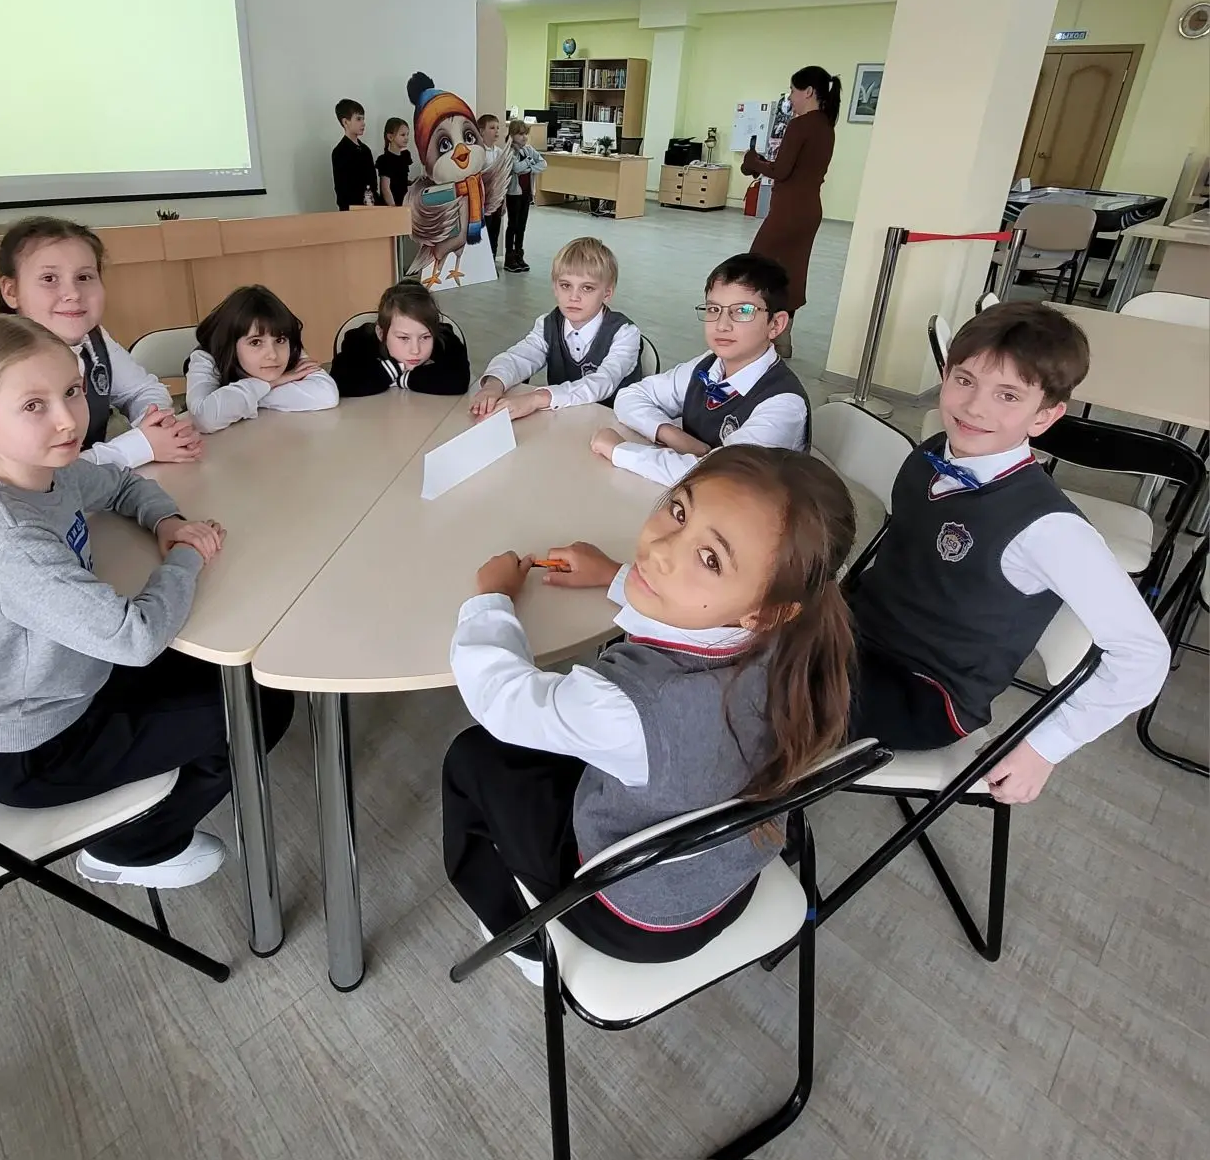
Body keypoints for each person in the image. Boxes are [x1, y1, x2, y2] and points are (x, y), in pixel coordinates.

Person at [442, 446, 855, 978]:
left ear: (768, 608)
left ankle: (521, 942)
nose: (660, 549)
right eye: (679, 511)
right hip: (723, 877)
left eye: (710, 558)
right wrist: (615, 576)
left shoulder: (633, 708)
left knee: (472, 757)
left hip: (631, 914)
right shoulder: (792, 643)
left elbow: (502, 699)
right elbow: (701, 615)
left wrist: (490, 600)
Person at [0, 314, 294, 888]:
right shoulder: (10, 538)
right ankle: (128, 847)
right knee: (258, 709)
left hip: (77, 678)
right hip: (36, 748)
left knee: (238, 675)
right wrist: (188, 555)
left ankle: (147, 801)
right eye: (33, 405)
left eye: (72, 392)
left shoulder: (47, 470)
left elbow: (123, 483)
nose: (67, 419)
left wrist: (167, 522)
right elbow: (136, 638)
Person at [848, 302, 1169, 804]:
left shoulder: (1051, 530)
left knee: (747, 703)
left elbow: (1144, 655)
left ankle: (753, 827)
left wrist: (1043, 748)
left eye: (1008, 395)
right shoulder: (933, 452)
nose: (975, 407)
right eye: (965, 380)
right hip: (854, 633)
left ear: (1045, 416)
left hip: (924, 692)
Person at [0, 217, 201, 583]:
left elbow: (143, 390)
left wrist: (156, 423)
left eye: (84, 277)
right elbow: (39, 474)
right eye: (49, 278)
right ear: (11, 291)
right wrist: (140, 445)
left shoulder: (92, 339)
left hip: (72, 511)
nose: (72, 293)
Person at [595, 254, 809, 487]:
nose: (722, 325)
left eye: (742, 310)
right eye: (713, 309)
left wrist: (619, 450)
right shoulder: (709, 364)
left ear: (775, 324)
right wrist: (672, 434)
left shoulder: (783, 404)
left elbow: (718, 476)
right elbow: (631, 395)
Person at [469, 237, 643, 421]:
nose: (574, 297)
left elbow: (603, 382)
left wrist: (536, 399)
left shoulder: (625, 333)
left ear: (607, 294)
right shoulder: (548, 324)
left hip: (614, 425)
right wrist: (494, 384)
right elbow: (520, 357)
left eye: (587, 288)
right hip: (562, 420)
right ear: (555, 288)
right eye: (565, 286)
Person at [739, 66, 840, 358]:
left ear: (808, 92)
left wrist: (753, 162)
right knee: (793, 272)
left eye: (793, 90)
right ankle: (783, 337)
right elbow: (794, 169)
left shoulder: (800, 125)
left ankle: (757, 334)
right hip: (810, 211)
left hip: (788, 210)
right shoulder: (826, 126)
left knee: (757, 268)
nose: (790, 97)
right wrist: (762, 163)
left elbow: (782, 171)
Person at [184, 284, 339, 433]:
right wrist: (272, 383)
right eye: (256, 342)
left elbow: (326, 395)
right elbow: (204, 419)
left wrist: (243, 400)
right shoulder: (207, 358)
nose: (273, 355)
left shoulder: (291, 350)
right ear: (231, 344)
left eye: (280, 340)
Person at [329, 279, 470, 396]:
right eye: (403, 338)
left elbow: (459, 380)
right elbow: (340, 382)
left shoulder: (442, 337)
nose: (415, 350)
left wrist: (403, 378)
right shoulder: (361, 339)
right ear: (381, 333)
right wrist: (393, 370)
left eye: (425, 337)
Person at [502, 120, 547, 274]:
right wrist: (529, 162)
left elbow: (543, 164)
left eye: (525, 134)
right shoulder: (510, 151)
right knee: (513, 225)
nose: (524, 137)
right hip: (514, 194)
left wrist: (528, 168)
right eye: (520, 134)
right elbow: (516, 167)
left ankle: (519, 254)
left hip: (526, 193)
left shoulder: (528, 149)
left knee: (522, 226)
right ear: (512, 135)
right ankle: (509, 257)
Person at [331, 98, 377, 211]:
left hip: (371, 207)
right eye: (358, 119)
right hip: (351, 210)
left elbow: (373, 184)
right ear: (345, 122)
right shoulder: (339, 152)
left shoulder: (365, 150)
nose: (363, 123)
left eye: (363, 119)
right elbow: (341, 189)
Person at [478, 115, 504, 260]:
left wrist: (503, 201)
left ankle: (492, 259)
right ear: (482, 131)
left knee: (495, 230)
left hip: (496, 198)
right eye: (492, 128)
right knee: (484, 231)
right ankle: (482, 261)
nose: (496, 131)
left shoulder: (499, 152)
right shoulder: (478, 151)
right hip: (482, 199)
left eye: (497, 128)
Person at [375, 117, 414, 208]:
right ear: (390, 137)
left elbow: (402, 180)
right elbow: (385, 188)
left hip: (403, 203)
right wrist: (393, 207)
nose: (406, 138)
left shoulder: (405, 156)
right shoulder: (384, 160)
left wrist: (416, 181)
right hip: (391, 206)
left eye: (407, 134)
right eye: (402, 135)